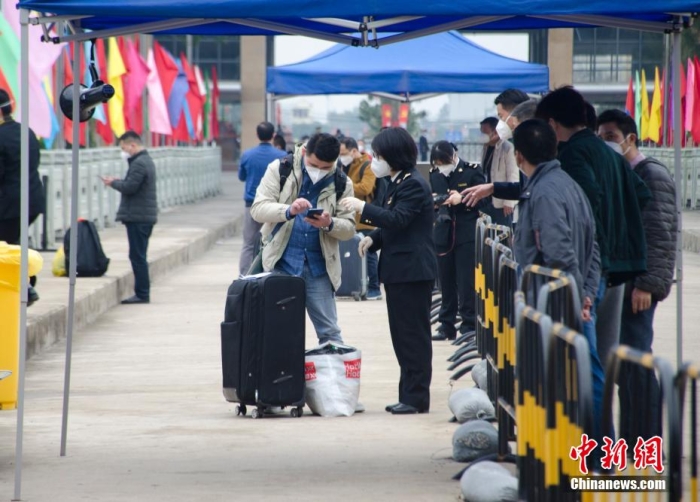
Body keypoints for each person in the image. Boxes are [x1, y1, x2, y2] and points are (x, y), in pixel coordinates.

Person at [535, 87, 650, 377]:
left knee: (585, 360)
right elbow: (640, 193)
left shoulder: (573, 154)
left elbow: (587, 205)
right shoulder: (606, 152)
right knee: (601, 353)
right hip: (615, 263)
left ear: (551, 124)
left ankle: (595, 423)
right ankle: (602, 422)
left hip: (592, 267)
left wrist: (596, 245)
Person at [512, 119, 602, 439]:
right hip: (573, 298)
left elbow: (560, 256)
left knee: (573, 381)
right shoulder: (566, 184)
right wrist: (588, 291)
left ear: (518, 155)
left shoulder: (545, 193)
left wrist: (579, 299)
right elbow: (593, 249)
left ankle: (587, 454)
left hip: (558, 306)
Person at [341, 127, 437, 415]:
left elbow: (398, 218)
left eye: (379, 155)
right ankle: (407, 394)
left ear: (394, 156)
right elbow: (395, 224)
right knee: (401, 336)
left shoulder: (413, 184)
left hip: (412, 271)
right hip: (398, 270)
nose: (375, 161)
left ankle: (416, 398)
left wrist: (361, 207)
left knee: (413, 337)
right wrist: (375, 238)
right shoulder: (395, 182)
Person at [597, 109, 677, 444]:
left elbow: (660, 233)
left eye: (611, 138)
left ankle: (646, 438)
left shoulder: (650, 174)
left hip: (639, 285)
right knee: (626, 365)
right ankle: (632, 436)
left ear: (631, 138)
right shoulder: (619, 172)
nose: (605, 144)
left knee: (638, 359)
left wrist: (647, 284)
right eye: (600, 137)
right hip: (623, 281)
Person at [251, 133, 356, 345]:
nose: (320, 171)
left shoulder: (342, 182)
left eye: (326, 168)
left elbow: (349, 229)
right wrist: (288, 210)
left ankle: (330, 375)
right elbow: (258, 209)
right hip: (281, 263)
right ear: (305, 152)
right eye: (314, 165)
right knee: (277, 330)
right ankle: (281, 376)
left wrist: (330, 224)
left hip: (319, 269)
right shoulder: (280, 169)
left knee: (330, 333)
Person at [429, 141, 486, 341]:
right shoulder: (434, 173)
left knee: (466, 280)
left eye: (444, 161)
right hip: (443, 233)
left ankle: (468, 324)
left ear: (454, 156)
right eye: (437, 162)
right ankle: (446, 325)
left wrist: (461, 198)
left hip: (465, 232)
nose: (441, 166)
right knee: (445, 280)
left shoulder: (472, 171)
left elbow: (485, 200)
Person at [0, 89, 45, 305]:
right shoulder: (25, 131)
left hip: (10, 204)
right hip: (32, 199)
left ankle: (26, 286)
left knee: (6, 245)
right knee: (13, 243)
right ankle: (26, 286)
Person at [102, 131, 157, 304]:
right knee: (139, 255)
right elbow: (133, 183)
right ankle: (142, 292)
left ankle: (142, 293)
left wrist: (113, 183)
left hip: (139, 217)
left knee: (137, 256)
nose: (124, 151)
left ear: (132, 145)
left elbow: (130, 187)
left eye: (124, 147)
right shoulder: (143, 161)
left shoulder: (139, 163)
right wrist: (120, 181)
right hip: (142, 215)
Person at [238, 121, 287, 276]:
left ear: (257, 135)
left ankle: (245, 276)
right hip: (274, 205)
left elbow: (241, 177)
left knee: (248, 243)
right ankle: (271, 273)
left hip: (251, 204)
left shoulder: (247, 155)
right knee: (275, 241)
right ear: (273, 136)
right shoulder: (282, 156)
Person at [339, 137, 382, 300]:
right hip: (350, 217)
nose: (341, 156)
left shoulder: (367, 165)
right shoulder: (344, 166)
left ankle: (374, 288)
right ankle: (356, 284)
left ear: (354, 151)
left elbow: (366, 188)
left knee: (369, 251)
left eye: (344, 153)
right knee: (354, 251)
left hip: (366, 216)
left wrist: (345, 185)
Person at [478, 117, 518, 226]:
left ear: (495, 132)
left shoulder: (507, 148)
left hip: (502, 202)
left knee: (503, 233)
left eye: (485, 132)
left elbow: (513, 175)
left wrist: (509, 202)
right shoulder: (486, 148)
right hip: (487, 200)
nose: (483, 136)